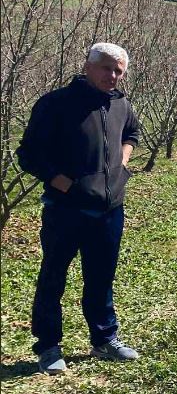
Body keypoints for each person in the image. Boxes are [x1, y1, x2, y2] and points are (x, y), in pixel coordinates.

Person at [16, 42, 142, 375]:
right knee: (53, 278)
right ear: (88, 66)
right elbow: (29, 154)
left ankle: (104, 339)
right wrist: (65, 185)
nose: (112, 76)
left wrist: (122, 162)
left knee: (101, 277)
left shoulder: (121, 105)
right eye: (106, 68)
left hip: (110, 209)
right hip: (66, 209)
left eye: (118, 71)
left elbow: (132, 133)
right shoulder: (56, 104)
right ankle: (48, 346)